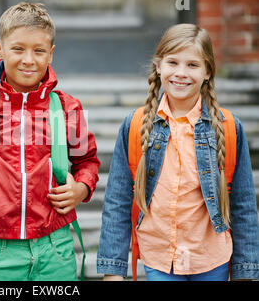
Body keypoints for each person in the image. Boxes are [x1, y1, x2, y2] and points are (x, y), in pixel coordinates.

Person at [0, 2, 100, 281]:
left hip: (54, 249)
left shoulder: (69, 109)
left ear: (50, 54)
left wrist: (82, 187)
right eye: (18, 49)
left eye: (39, 51)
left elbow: (86, 160)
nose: (28, 59)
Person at [97, 23, 259, 281]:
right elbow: (117, 202)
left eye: (193, 65)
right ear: (158, 66)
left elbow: (243, 206)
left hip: (212, 260)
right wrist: (112, 270)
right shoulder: (136, 125)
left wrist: (244, 272)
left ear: (208, 72)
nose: (181, 73)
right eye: (173, 63)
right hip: (159, 261)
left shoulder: (228, 128)